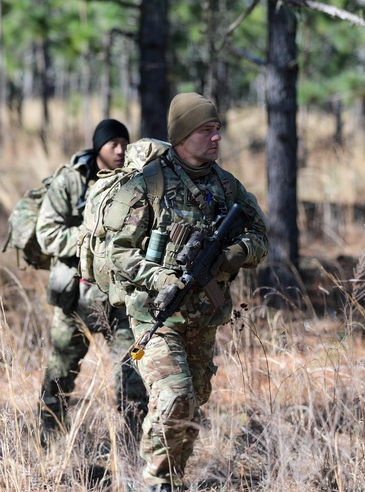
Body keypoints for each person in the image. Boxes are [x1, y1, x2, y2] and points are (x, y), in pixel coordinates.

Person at [100, 92, 268, 492]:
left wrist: (235, 253)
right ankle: (153, 482)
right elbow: (119, 253)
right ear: (181, 135)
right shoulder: (149, 183)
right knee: (174, 397)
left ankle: (173, 480)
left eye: (217, 130)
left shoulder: (228, 188)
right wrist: (162, 279)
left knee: (192, 405)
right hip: (155, 316)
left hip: (203, 318)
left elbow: (260, 237)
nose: (216, 139)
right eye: (206, 130)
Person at [37, 119, 148, 438]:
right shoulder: (70, 182)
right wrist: (90, 240)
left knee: (134, 378)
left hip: (122, 299)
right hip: (76, 296)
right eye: (112, 143)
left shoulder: (136, 182)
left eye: (124, 143)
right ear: (97, 146)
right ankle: (49, 442)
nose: (120, 150)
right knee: (59, 376)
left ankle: (134, 453)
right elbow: (47, 234)